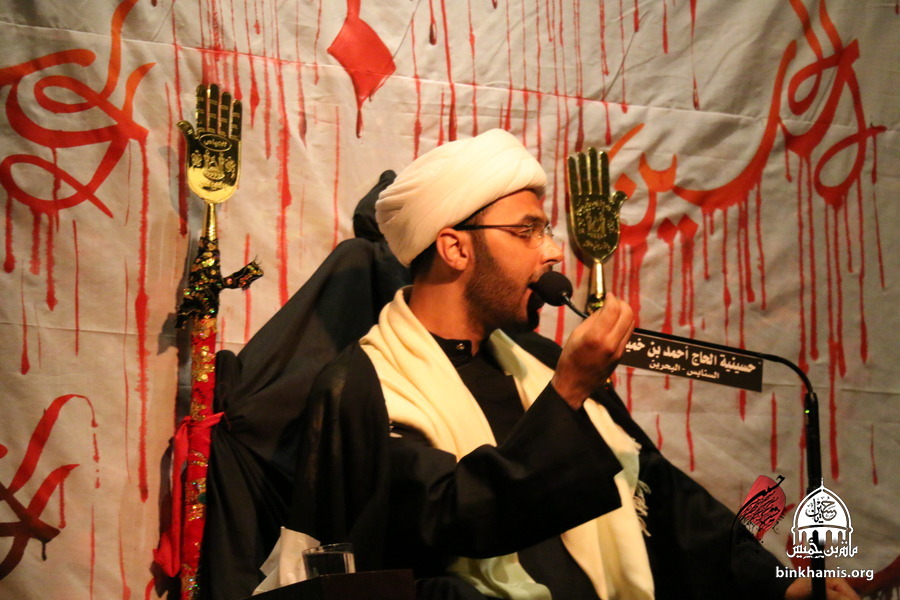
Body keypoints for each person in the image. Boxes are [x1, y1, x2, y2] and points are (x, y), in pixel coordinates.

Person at [265, 129, 859, 600]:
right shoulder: (366, 385)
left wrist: (780, 583)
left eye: (546, 230)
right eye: (527, 231)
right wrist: (569, 392)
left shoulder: (540, 361)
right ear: (455, 247)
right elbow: (447, 519)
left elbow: (657, 492)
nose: (552, 251)